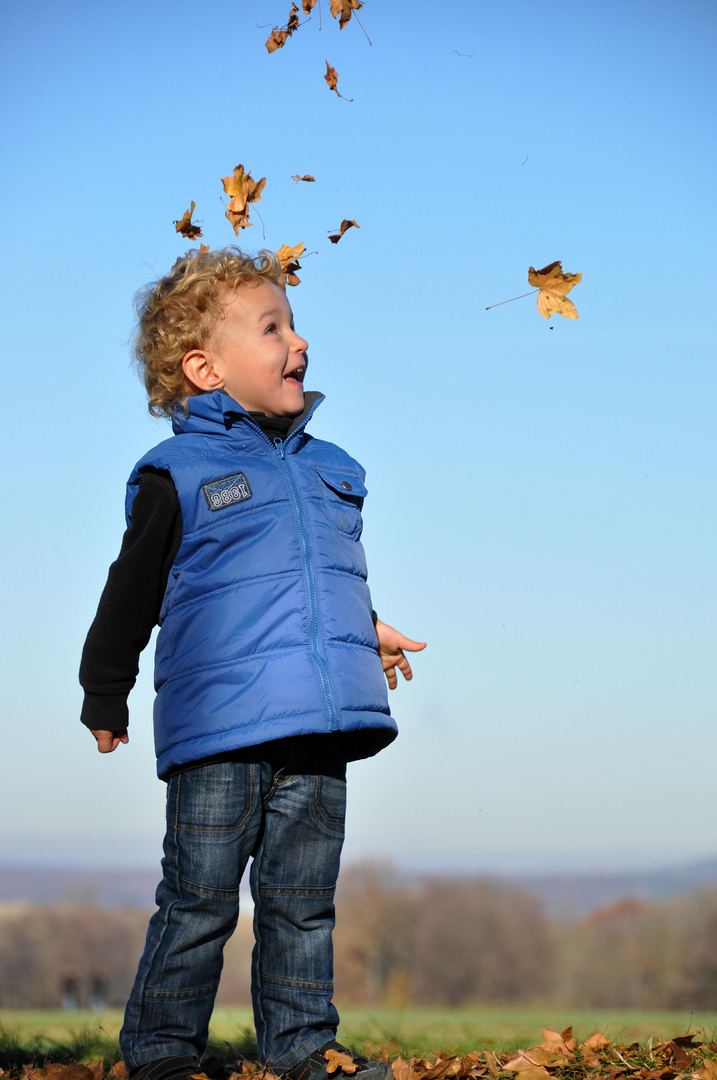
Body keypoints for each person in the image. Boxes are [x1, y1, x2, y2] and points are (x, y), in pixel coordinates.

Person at [79, 247, 425, 1080]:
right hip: (220, 734)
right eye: (272, 327)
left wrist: (365, 629)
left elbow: (315, 576)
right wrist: (105, 690)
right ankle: (162, 1053)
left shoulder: (330, 469)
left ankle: (303, 1047)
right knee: (199, 901)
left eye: (295, 324)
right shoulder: (181, 474)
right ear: (204, 369)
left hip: (319, 726)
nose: (297, 341)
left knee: (302, 905)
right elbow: (131, 592)